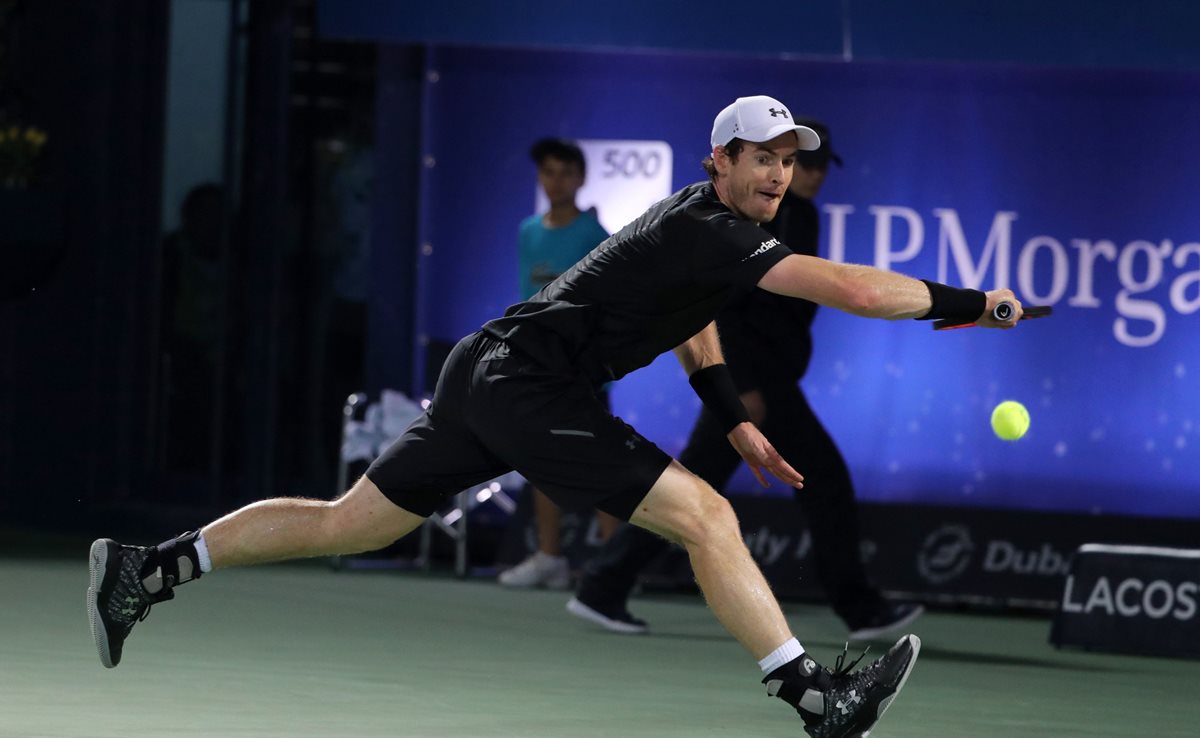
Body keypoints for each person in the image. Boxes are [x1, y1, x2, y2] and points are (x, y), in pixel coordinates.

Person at [89, 94, 1027, 737]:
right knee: (708, 516)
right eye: (763, 159)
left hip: (487, 371)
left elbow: (695, 322)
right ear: (721, 161)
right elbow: (852, 289)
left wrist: (732, 417)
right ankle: (814, 696)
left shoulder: (707, 226)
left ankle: (149, 570)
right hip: (526, 385)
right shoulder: (713, 225)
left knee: (349, 524)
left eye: (791, 162)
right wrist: (971, 302)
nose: (781, 175)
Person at [566, 118, 923, 641]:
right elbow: (724, 305)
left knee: (695, 490)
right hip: (754, 385)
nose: (807, 174)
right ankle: (860, 608)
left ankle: (602, 585)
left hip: (767, 382)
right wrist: (745, 386)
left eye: (806, 163)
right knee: (817, 484)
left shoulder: (797, 216)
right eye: (784, 160)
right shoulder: (753, 220)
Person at [500, 137, 621, 589]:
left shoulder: (595, 236)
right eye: (548, 172)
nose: (556, 181)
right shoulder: (527, 231)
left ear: (582, 178)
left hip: (582, 367)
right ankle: (550, 557)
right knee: (539, 458)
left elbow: (605, 303)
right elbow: (526, 300)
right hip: (537, 364)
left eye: (565, 172)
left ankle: (610, 569)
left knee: (597, 462)